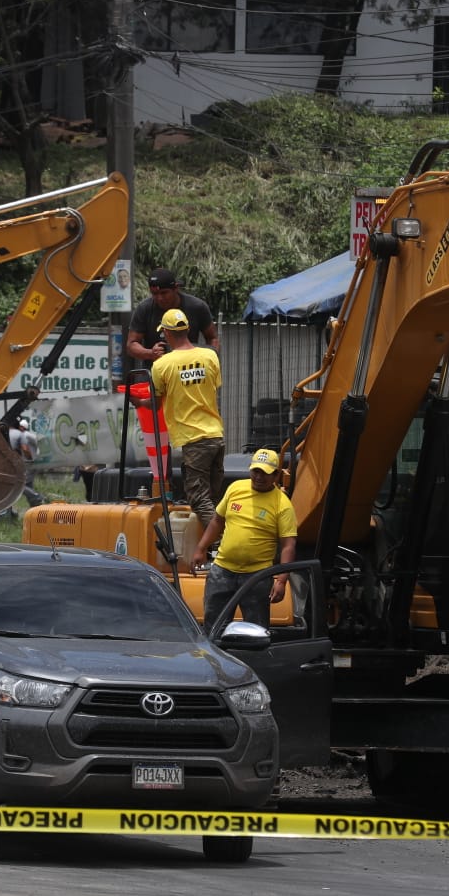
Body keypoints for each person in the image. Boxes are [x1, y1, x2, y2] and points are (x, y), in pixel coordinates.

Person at [191, 448, 297, 630]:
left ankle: (252, 659)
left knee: (255, 631)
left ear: (276, 475)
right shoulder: (235, 488)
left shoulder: (282, 504)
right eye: (256, 471)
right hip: (223, 570)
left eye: (265, 473)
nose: (259, 477)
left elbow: (288, 544)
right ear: (250, 469)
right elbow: (217, 521)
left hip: (257, 576)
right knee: (214, 629)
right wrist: (201, 548)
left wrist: (281, 580)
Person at [138, 307, 224, 528]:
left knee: (199, 499)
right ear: (187, 330)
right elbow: (213, 387)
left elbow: (155, 402)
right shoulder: (210, 356)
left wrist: (138, 403)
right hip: (215, 435)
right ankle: (213, 548)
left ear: (166, 333)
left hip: (193, 440)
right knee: (213, 500)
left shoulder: (162, 365)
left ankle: (222, 545)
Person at [127, 267, 218, 368]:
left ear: (176, 288)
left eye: (164, 293)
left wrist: (211, 361)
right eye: (155, 294)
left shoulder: (197, 307)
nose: (160, 298)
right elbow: (131, 344)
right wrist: (150, 353)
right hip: (157, 373)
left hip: (189, 373)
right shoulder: (144, 309)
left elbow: (212, 338)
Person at [0, 418, 47, 518]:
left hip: (3, 463)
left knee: (9, 487)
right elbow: (25, 449)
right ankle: (36, 498)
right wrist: (30, 458)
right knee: (19, 484)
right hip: (16, 464)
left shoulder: (1, 434)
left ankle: (7, 512)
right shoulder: (19, 434)